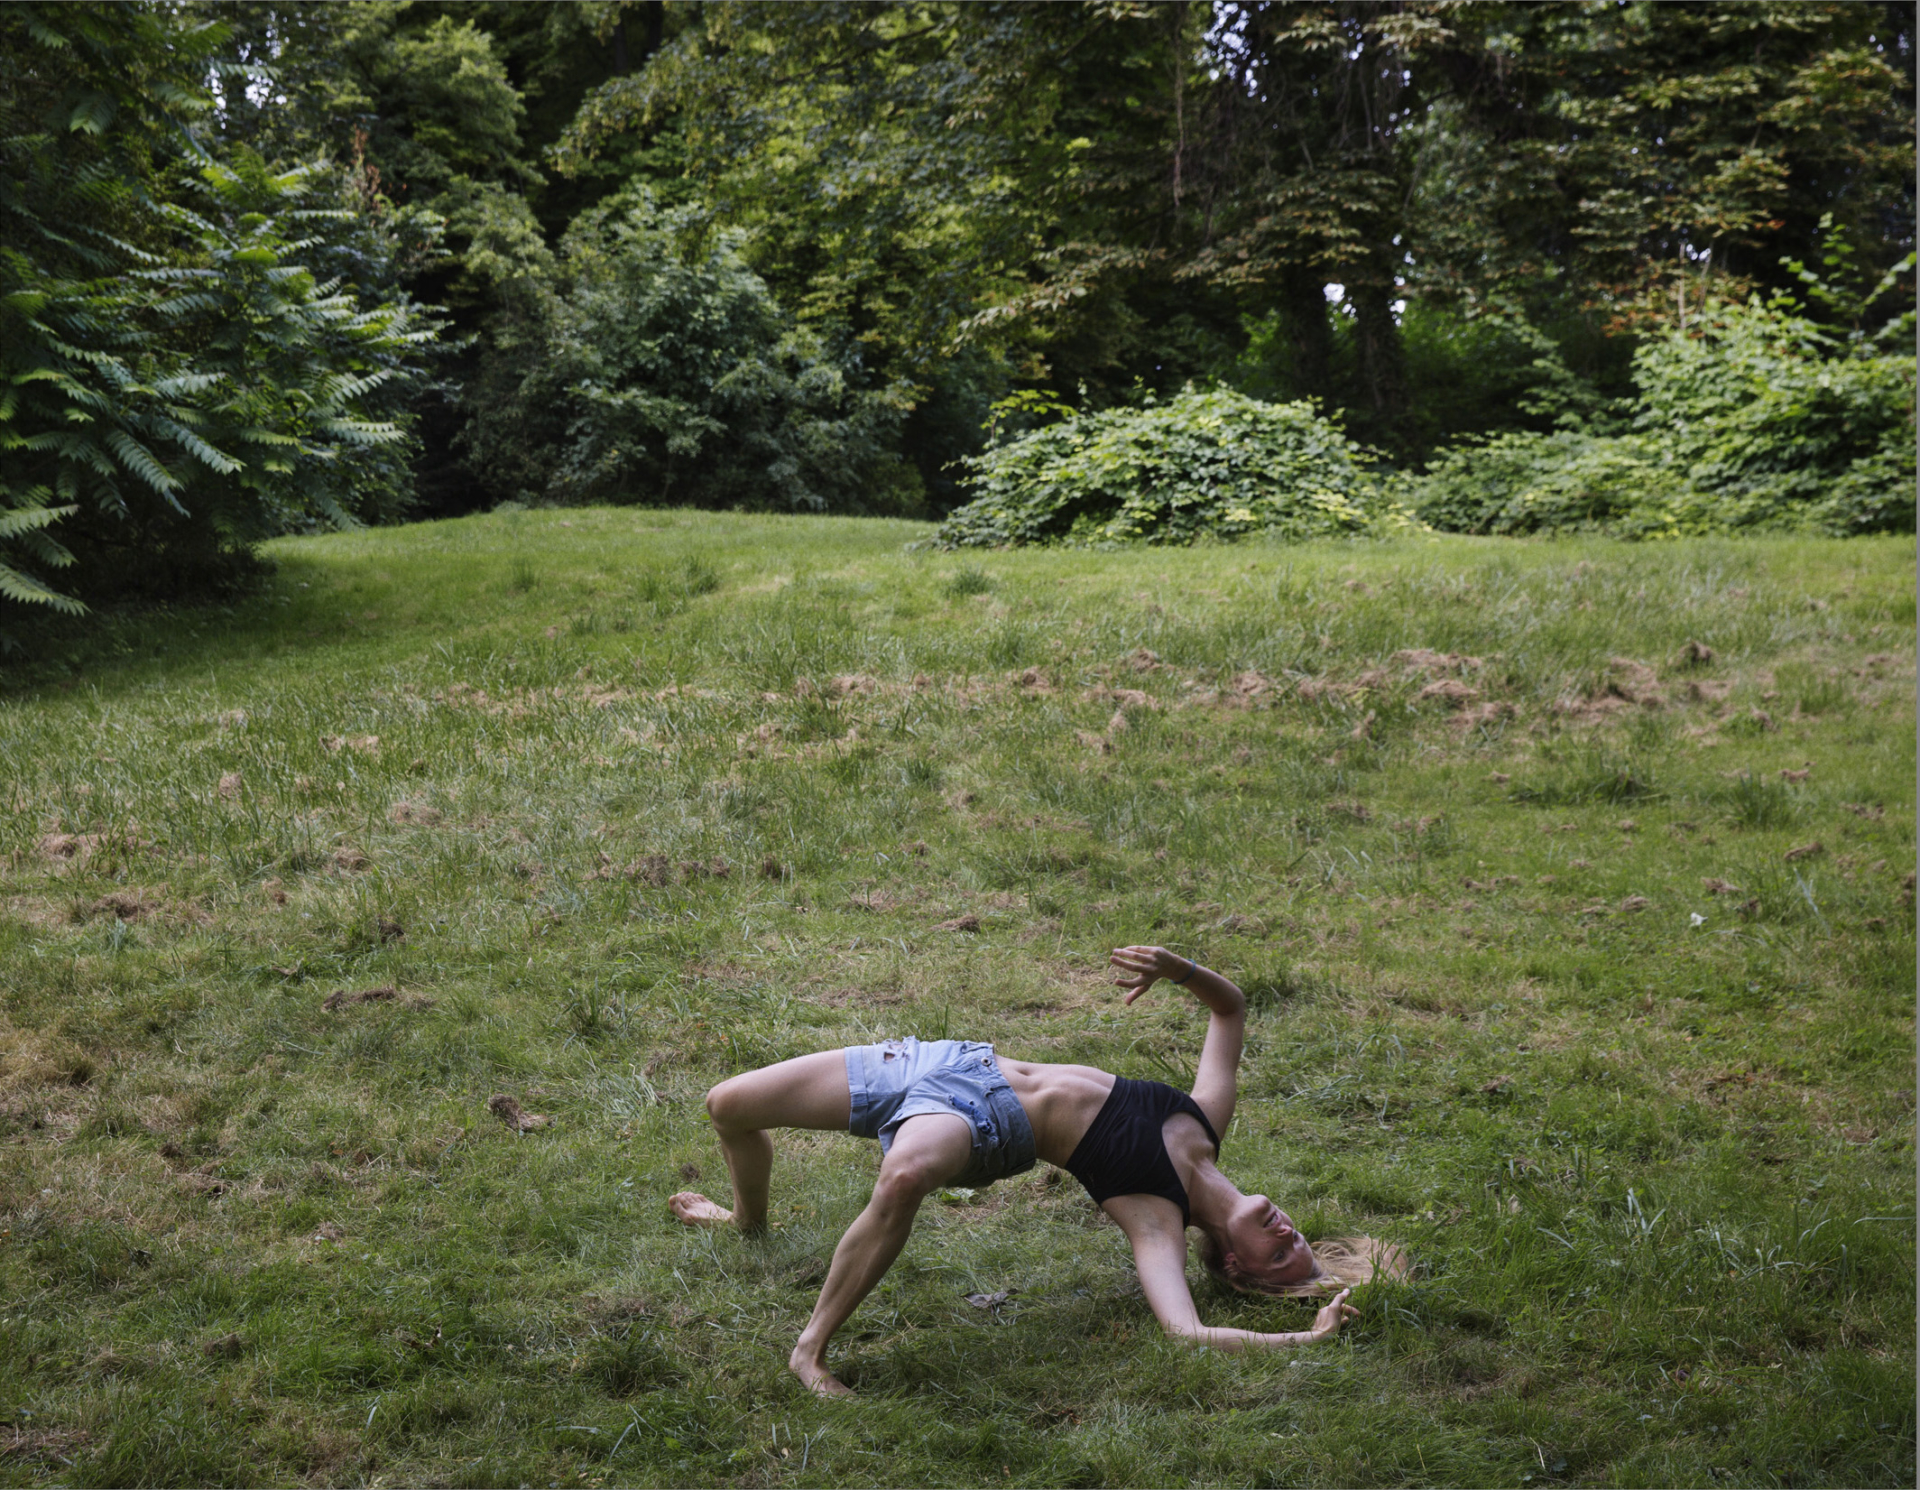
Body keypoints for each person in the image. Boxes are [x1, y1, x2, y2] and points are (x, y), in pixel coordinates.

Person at [669, 944, 1405, 1397]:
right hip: (945, 1063)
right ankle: (745, 1221)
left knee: (900, 1180)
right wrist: (1177, 970)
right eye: (1298, 1235)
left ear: (1237, 1268)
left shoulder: (1156, 1217)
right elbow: (1231, 1011)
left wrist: (1305, 1340)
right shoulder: (1207, 1119)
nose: (1284, 1229)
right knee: (727, 1106)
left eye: (1279, 1254)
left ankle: (810, 1350)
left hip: (987, 1125)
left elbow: (1184, 1331)